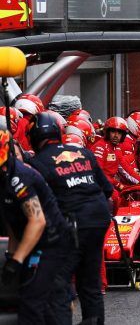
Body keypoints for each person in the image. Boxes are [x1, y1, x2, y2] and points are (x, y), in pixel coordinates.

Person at [28, 112, 113, 324]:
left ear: (35, 137)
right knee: (90, 283)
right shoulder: (84, 152)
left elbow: (40, 202)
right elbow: (108, 190)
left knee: (58, 283)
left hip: (73, 223)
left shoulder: (38, 162)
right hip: (99, 219)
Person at [0, 129, 70, 323]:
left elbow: (37, 221)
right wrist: (12, 257)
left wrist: (17, 261)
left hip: (52, 240)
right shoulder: (2, 177)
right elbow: (12, 219)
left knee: (33, 301)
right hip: (34, 240)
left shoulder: (19, 177)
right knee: (33, 297)